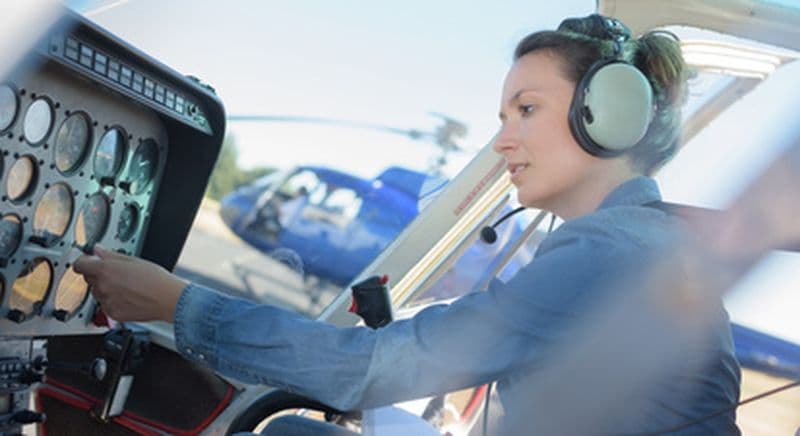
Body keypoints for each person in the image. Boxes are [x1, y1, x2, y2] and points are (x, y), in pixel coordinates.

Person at [74, 14, 741, 435]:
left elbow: (369, 371)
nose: (503, 140)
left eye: (526, 110)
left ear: (608, 116)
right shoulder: (642, 242)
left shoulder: (611, 252)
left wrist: (175, 302)